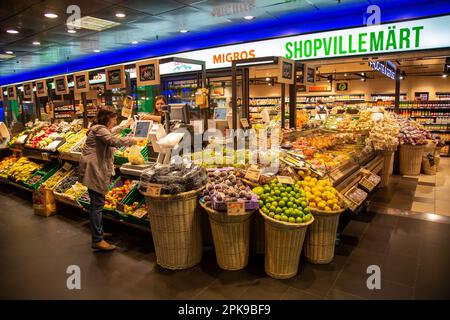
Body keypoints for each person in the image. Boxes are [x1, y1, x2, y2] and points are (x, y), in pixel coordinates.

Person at [79, 106, 136, 251]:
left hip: (93, 169)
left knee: (96, 203)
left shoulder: (98, 128)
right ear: (107, 118)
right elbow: (113, 141)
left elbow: (111, 132)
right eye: (114, 118)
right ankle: (97, 240)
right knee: (97, 205)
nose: (115, 120)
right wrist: (132, 140)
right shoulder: (99, 129)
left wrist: (124, 125)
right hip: (94, 170)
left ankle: (99, 233)